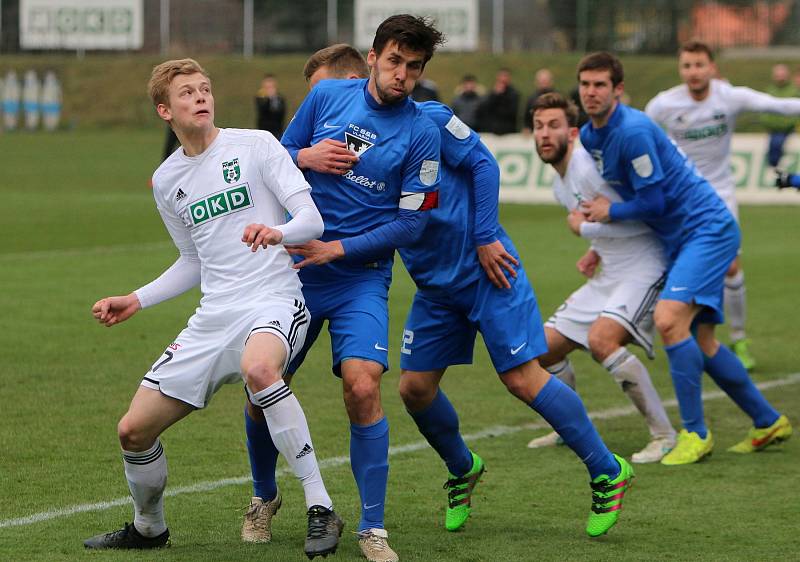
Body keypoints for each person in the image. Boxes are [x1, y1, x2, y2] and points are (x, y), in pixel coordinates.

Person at [296, 44, 634, 539]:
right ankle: (462, 468)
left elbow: (484, 165)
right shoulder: (349, 136)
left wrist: (485, 235)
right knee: (414, 389)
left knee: (522, 380)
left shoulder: (428, 119)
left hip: (487, 270)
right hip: (434, 284)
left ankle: (607, 471)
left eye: (329, 89)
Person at [83, 58, 344, 559]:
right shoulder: (167, 180)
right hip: (214, 316)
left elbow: (311, 220)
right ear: (165, 110)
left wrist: (278, 231)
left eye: (205, 88)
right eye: (187, 93)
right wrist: (136, 299)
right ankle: (149, 527)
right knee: (133, 430)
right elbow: (191, 261)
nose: (201, 97)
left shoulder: (257, 145)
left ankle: (319, 504)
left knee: (261, 369)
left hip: (273, 299)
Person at [243, 16, 444, 562]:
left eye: (414, 67)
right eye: (395, 60)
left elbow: (412, 224)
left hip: (360, 276)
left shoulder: (423, 132)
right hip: (295, 273)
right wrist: (305, 157)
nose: (402, 75)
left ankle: (372, 528)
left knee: (362, 387)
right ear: (375, 55)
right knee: (263, 385)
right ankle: (263, 498)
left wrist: (338, 248)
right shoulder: (327, 94)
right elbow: (277, 155)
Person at [578, 51, 792, 466]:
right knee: (703, 340)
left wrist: (611, 213)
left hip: (706, 230)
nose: (591, 92)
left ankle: (695, 433)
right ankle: (767, 420)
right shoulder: (590, 136)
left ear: (618, 90)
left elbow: (652, 200)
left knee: (668, 319)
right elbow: (624, 196)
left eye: (600, 84)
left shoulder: (633, 131)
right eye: (585, 84)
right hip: (685, 237)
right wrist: (597, 239)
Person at [530, 92, 676, 463]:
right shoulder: (558, 184)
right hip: (610, 271)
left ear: (573, 132)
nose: (545, 134)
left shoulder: (587, 166)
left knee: (602, 341)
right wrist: (595, 250)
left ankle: (664, 435)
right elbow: (604, 221)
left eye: (554, 125)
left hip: (644, 266)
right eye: (538, 126)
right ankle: (568, 427)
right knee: (542, 348)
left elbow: (640, 215)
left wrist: (586, 232)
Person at [645, 41, 800, 372]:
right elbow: (636, 131)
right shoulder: (664, 104)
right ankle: (669, 328)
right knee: (669, 263)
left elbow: (777, 105)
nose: (693, 72)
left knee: (731, 266)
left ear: (712, 67)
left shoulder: (728, 96)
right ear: (680, 69)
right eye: (687, 65)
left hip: (719, 194)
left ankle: (740, 338)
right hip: (681, 196)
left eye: (699, 64)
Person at [761, 63, 798, 169]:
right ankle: (773, 168)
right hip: (773, 130)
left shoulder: (794, 90)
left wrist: (790, 124)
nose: (780, 77)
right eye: (778, 75)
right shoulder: (770, 90)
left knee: (777, 142)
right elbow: (764, 110)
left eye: (782, 74)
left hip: (788, 129)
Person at [480, 68, 519, 134]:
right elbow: (485, 109)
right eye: (501, 76)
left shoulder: (514, 94)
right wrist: (495, 95)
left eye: (505, 76)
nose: (503, 79)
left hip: (508, 130)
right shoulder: (491, 93)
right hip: (492, 130)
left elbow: (511, 112)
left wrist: (501, 96)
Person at [522, 68, 556, 135]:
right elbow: (526, 118)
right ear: (536, 82)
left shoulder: (557, 98)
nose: (544, 84)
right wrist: (526, 128)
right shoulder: (531, 99)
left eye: (546, 81)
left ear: (551, 81)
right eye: (542, 81)